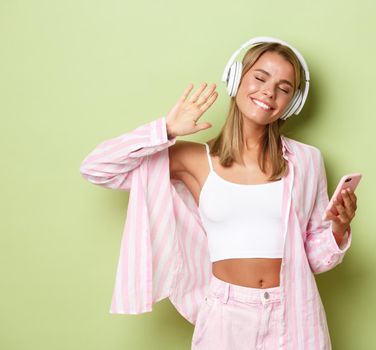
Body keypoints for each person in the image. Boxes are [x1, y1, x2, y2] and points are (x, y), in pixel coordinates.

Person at [80, 36, 358, 349]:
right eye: (260, 77)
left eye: (284, 88)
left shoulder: (306, 161)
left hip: (295, 312)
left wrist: (338, 228)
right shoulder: (194, 160)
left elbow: (315, 260)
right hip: (225, 316)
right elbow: (96, 167)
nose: (269, 91)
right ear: (236, 78)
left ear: (291, 103)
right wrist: (166, 130)